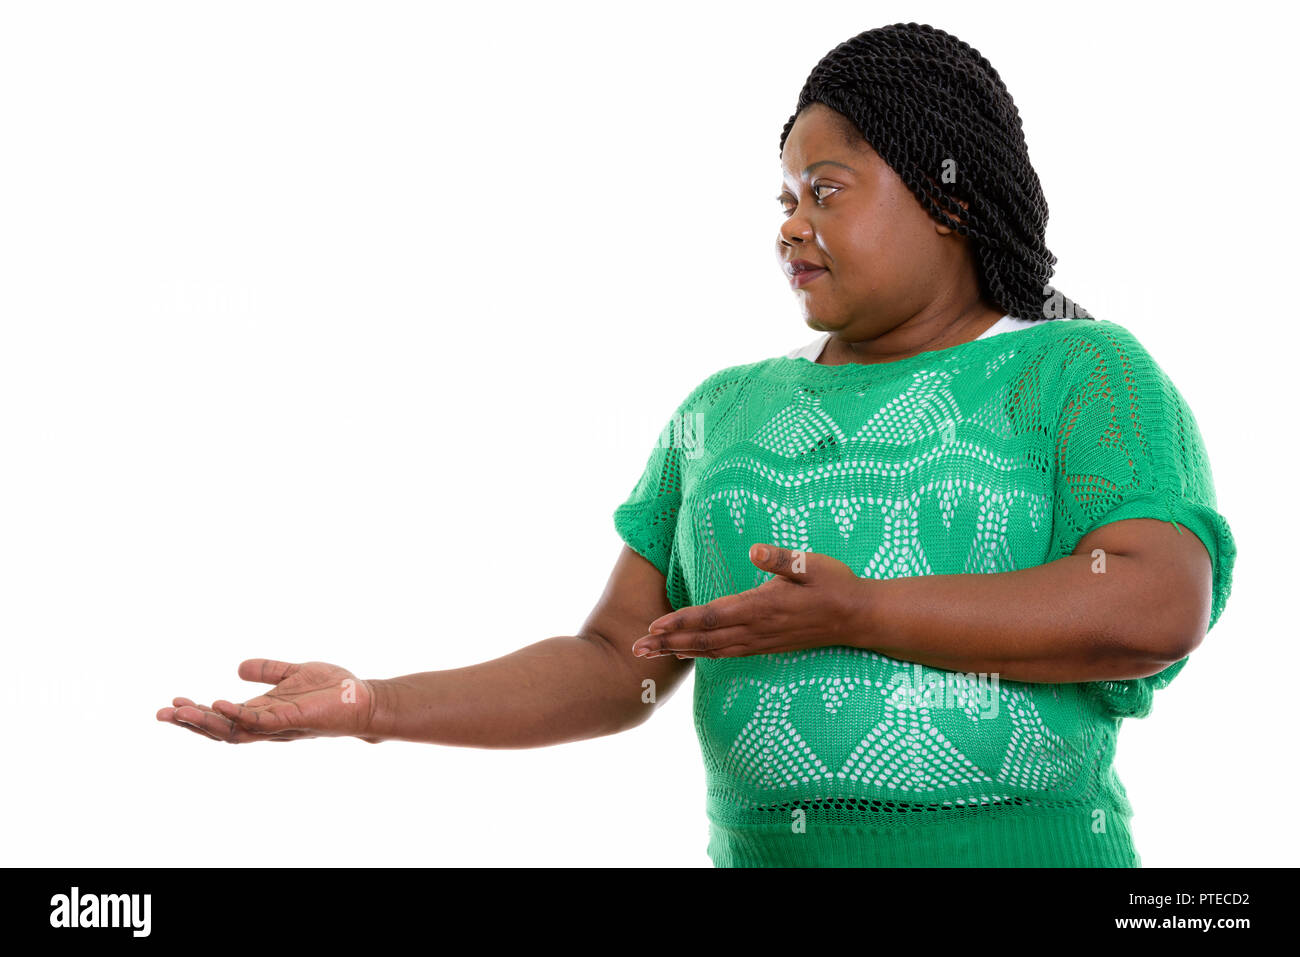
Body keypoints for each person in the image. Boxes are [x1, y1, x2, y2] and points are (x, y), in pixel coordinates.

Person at [156, 22, 1236, 867]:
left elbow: (1148, 606)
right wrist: (374, 705)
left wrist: (861, 612)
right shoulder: (722, 413)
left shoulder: (1078, 373)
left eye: (827, 190)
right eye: (782, 196)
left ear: (951, 200)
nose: (789, 224)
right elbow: (613, 667)